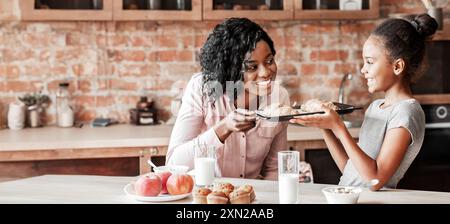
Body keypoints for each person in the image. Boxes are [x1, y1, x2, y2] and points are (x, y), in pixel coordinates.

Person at [290, 14, 438, 190]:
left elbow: (375, 180)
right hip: (349, 197)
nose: (363, 69)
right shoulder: (376, 107)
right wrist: (325, 127)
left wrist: (339, 127)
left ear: (397, 66)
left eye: (369, 62)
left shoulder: (406, 112)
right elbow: (351, 170)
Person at [166, 18, 290, 180]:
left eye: (269, 61)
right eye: (252, 67)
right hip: (206, 194)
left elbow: (274, 168)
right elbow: (174, 163)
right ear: (231, 69)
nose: (266, 72)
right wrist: (223, 128)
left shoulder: (279, 97)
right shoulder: (202, 88)